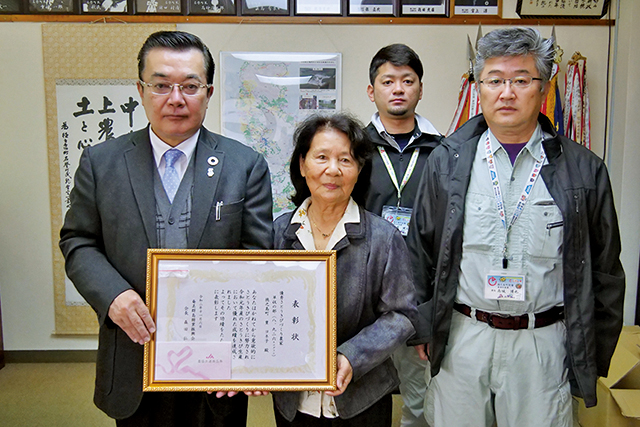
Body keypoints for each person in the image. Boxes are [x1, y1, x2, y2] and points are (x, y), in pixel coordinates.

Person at [407, 27, 625, 427]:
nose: (506, 93)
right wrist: (423, 326)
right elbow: (420, 249)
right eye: (494, 80)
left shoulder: (584, 170)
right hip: (462, 337)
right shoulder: (447, 161)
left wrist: (593, 352)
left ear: (543, 87)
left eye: (521, 80)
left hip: (541, 343)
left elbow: (607, 270)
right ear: (479, 87)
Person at [59, 31, 273, 426]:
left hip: (215, 362)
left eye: (190, 86)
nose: (176, 98)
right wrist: (113, 296)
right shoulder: (101, 162)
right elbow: (78, 240)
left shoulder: (245, 164)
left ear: (208, 92)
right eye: (161, 85)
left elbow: (257, 258)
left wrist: (251, 354)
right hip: (134, 351)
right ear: (140, 90)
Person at [272, 113, 417, 427]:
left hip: (362, 399)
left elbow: (402, 315)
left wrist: (353, 355)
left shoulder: (383, 237)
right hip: (292, 399)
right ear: (302, 164)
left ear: (359, 169)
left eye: (345, 160)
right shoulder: (278, 233)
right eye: (321, 157)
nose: (332, 170)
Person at [365, 43, 441, 427]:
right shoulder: (353, 149)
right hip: (363, 300)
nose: (398, 88)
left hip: (416, 299)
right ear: (372, 90)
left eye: (407, 81)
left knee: (419, 403)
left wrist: (430, 314)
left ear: (420, 89)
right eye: (388, 80)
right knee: (358, 401)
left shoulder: (444, 153)